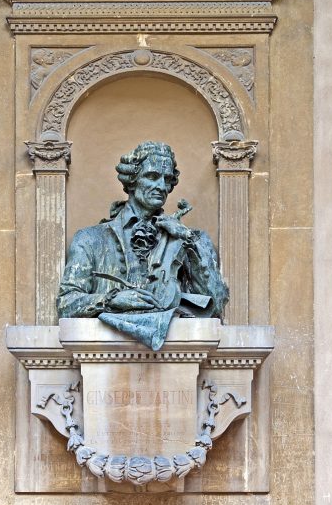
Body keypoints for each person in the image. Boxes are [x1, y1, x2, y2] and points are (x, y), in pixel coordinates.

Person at [57, 141, 228, 349]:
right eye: (152, 176)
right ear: (132, 180)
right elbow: (66, 303)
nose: (161, 186)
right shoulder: (91, 239)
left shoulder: (189, 240)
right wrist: (111, 300)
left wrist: (188, 238)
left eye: (167, 179)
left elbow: (216, 304)